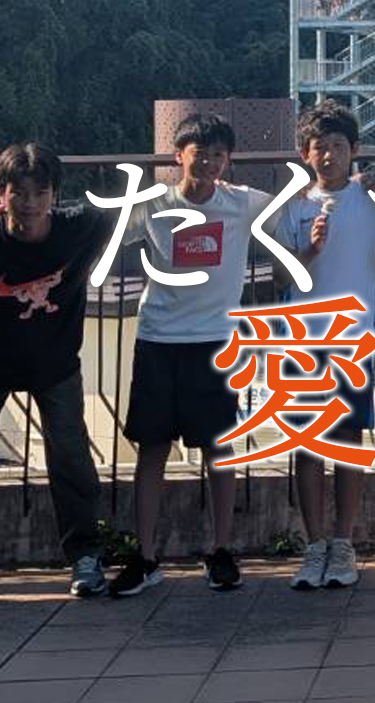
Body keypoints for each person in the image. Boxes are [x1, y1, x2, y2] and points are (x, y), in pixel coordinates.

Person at [0, 143, 110, 602]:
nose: (30, 203)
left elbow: (121, 213)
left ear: (55, 195)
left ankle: (86, 555)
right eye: (19, 192)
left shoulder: (80, 227)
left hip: (56, 364)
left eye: (41, 192)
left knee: (70, 457)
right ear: (1, 194)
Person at [110, 113, 277, 596]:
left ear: (228, 161)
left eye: (218, 155)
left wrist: (363, 184)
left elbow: (303, 202)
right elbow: (101, 230)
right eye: (199, 153)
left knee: (219, 450)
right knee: (152, 449)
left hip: (216, 343)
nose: (208, 163)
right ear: (178, 156)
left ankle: (220, 550)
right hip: (158, 339)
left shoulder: (243, 203)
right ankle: (145, 556)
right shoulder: (153, 203)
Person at [272, 100, 375, 590]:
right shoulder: (293, 206)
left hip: (353, 338)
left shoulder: (372, 199)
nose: (329, 155)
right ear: (305, 153)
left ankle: (343, 543)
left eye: (338, 146)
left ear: (354, 150)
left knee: (346, 441)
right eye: (319, 147)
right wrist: (310, 250)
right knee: (306, 445)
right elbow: (281, 276)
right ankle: (314, 544)